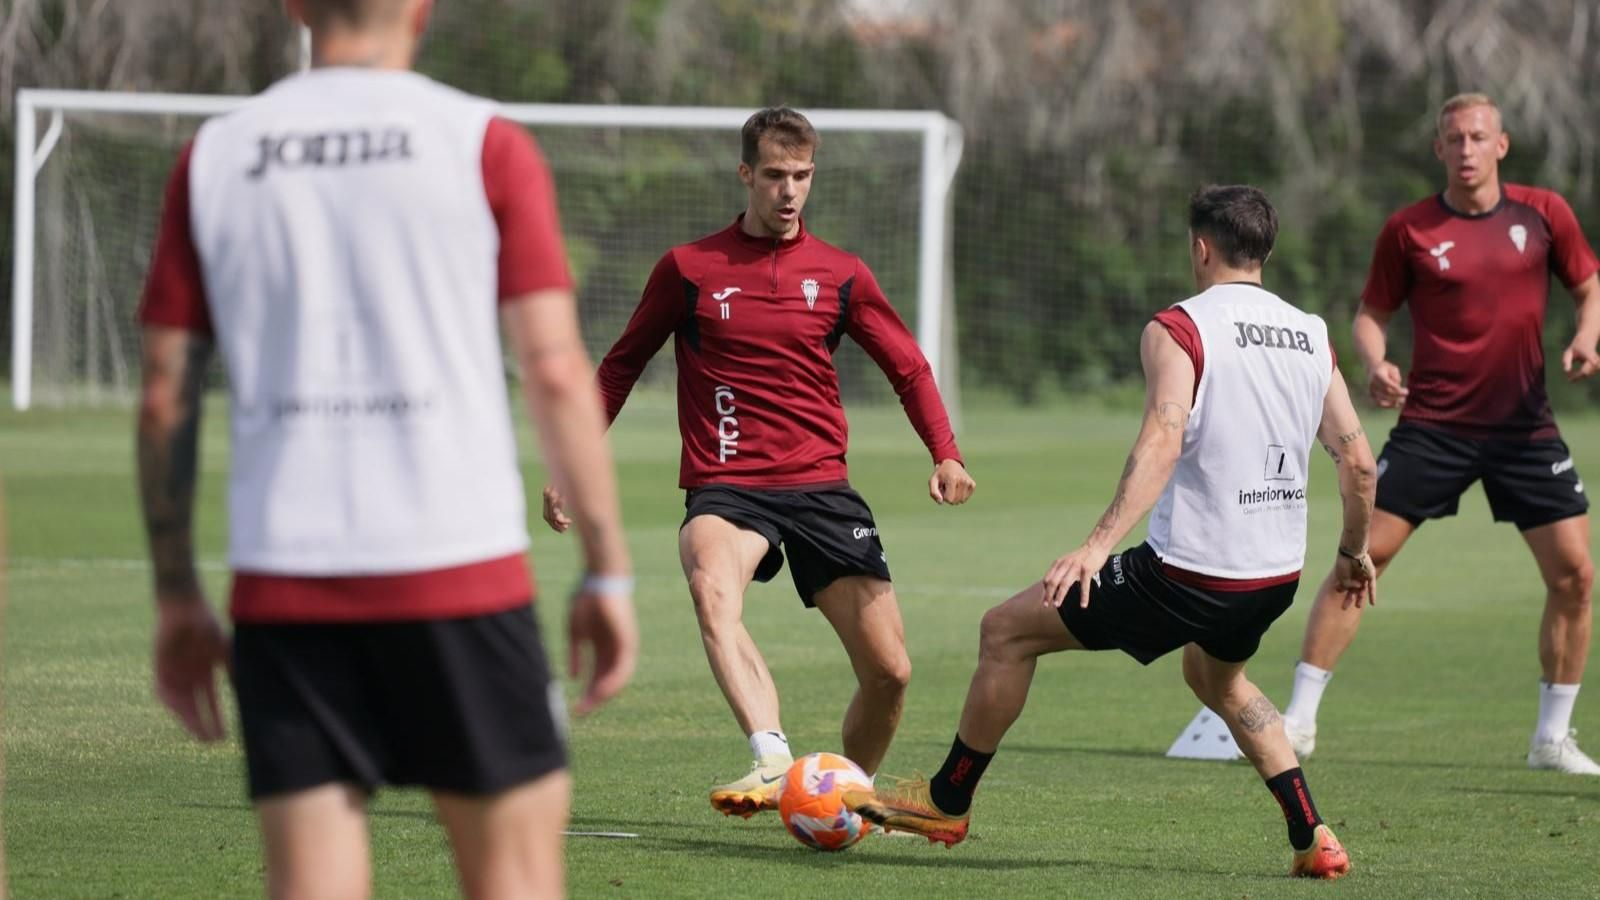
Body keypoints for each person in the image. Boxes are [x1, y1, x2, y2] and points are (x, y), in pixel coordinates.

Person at [136, 1, 637, 897]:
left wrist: (178, 596)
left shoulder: (214, 155)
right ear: (422, 5)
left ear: (294, 4)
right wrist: (605, 570)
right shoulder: (481, 142)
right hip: (461, 573)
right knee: (515, 880)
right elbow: (557, 371)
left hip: (286, 586)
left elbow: (167, 393)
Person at [841, 186, 1372, 879]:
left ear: (1201, 247)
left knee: (1005, 631)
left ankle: (947, 802)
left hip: (1189, 573)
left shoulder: (1180, 326)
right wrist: (1354, 552)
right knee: (1220, 678)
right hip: (1273, 576)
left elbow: (1163, 437)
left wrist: (1096, 545)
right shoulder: (1309, 333)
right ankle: (1314, 835)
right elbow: (1358, 461)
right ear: (1264, 252)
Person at [543, 106, 975, 817]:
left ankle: (841, 799)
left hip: (822, 489)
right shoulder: (688, 270)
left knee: (891, 673)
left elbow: (909, 367)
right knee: (712, 586)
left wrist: (946, 452)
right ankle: (773, 756)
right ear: (746, 174)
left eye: (801, 176)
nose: (789, 191)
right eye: (774, 175)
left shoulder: (840, 274)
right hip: (728, 489)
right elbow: (619, 368)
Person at [1281, 93, 1600, 775]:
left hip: (1525, 429)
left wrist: (1587, 337)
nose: (1465, 149)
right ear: (1439, 149)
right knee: (1357, 559)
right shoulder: (1410, 228)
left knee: (1575, 575)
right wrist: (1376, 362)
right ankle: (1298, 725)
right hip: (1433, 428)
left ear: (1501, 145)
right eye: (1453, 139)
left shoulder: (1543, 214)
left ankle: (1552, 739)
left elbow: (1588, 282)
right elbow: (1371, 314)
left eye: (1477, 137)